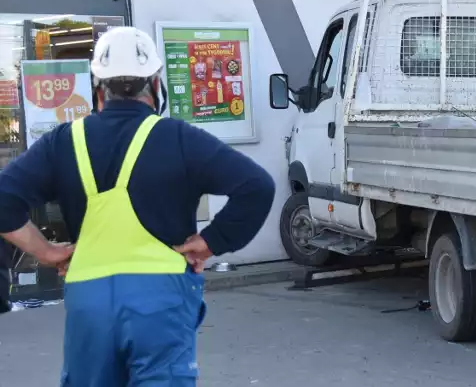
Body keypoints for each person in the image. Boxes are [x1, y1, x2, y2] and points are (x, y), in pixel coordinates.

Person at [0, 26, 275, 385]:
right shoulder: (179, 138)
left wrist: (47, 252)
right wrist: (212, 241)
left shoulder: (63, 143)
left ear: (98, 89)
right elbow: (257, 186)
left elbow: (4, 200)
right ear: (156, 85)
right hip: (161, 299)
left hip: (90, 300)